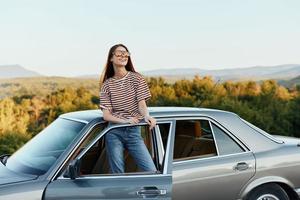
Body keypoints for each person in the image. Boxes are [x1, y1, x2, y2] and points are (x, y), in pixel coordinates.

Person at [99, 44, 157, 174]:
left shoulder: (136, 78)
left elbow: (142, 104)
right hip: (114, 132)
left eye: (126, 53)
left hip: (133, 132)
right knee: (117, 173)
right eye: (119, 53)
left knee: (151, 171)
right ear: (111, 58)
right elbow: (106, 116)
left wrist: (147, 116)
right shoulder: (107, 85)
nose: (123, 56)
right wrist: (125, 121)